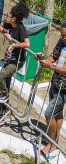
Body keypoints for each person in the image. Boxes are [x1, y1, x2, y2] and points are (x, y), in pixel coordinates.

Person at [0, 2, 30, 118]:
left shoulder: (20, 28)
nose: (6, 17)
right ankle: (1, 111)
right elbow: (0, 27)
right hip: (9, 58)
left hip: (16, 61)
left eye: (8, 16)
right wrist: (5, 33)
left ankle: (4, 95)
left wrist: (14, 44)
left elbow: (27, 44)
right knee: (6, 83)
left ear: (14, 18)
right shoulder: (10, 25)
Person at [38, 21, 66, 160]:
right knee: (57, 114)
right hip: (55, 82)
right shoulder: (62, 41)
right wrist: (46, 60)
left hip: (64, 88)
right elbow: (53, 56)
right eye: (61, 35)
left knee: (49, 113)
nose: (62, 37)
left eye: (65, 35)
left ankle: (51, 143)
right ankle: (55, 142)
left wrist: (52, 67)